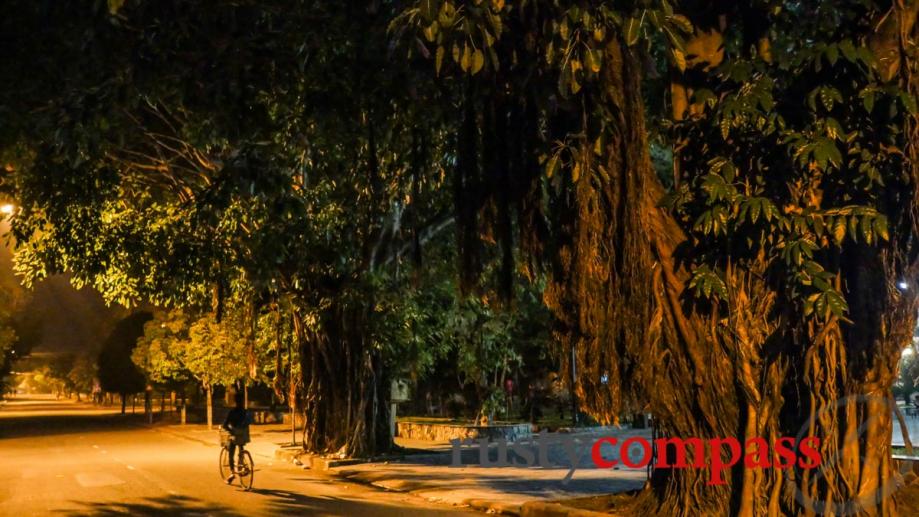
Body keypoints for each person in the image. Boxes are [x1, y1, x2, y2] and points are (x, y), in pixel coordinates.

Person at [221, 391, 251, 484]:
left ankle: (232, 473)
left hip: (235, 436)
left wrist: (230, 431)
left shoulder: (232, 412)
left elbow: (225, 425)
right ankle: (242, 463)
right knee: (241, 446)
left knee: (231, 453)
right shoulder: (245, 412)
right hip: (244, 436)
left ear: (235, 401)